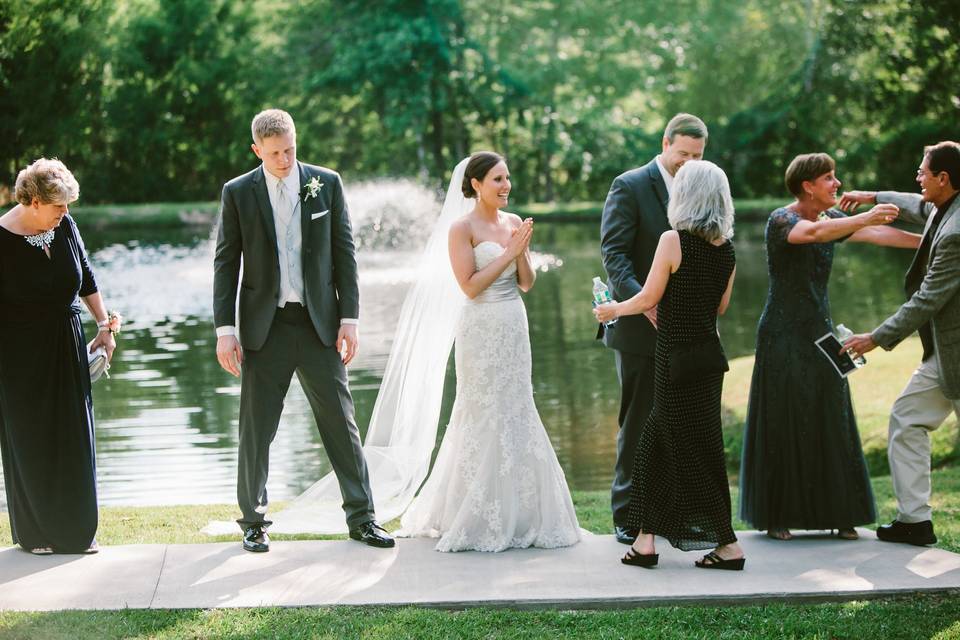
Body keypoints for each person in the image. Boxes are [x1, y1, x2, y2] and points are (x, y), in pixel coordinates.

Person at [212, 109, 393, 552]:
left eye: (290, 150)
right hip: (264, 328)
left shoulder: (325, 183)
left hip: (319, 325)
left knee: (341, 424)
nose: (284, 159)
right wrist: (224, 329)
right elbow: (225, 261)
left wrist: (349, 318)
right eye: (274, 153)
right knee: (256, 429)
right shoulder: (238, 192)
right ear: (257, 150)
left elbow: (345, 252)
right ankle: (253, 522)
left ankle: (363, 518)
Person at [398, 152, 581, 552]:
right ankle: (472, 510)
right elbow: (470, 285)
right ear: (476, 184)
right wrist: (508, 254)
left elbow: (527, 283)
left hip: (514, 323)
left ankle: (524, 512)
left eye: (507, 178)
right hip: (480, 327)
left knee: (517, 406)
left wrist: (523, 252)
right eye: (497, 179)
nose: (506, 186)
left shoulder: (514, 223)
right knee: (480, 409)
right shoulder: (460, 228)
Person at [738, 153, 920, 541]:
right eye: (829, 178)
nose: (836, 184)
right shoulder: (782, 220)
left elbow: (878, 234)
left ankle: (841, 514)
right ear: (808, 186)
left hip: (822, 334)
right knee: (784, 416)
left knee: (830, 414)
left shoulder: (833, 219)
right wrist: (864, 217)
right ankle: (778, 516)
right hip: (783, 334)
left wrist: (928, 243)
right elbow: (813, 234)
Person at [595, 160, 741, 570]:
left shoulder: (672, 241)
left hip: (674, 357)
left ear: (685, 196)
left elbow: (648, 299)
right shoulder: (726, 249)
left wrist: (612, 309)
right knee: (697, 448)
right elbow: (722, 307)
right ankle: (649, 541)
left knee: (655, 445)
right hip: (708, 360)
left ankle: (721, 544)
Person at [839, 141, 960, 546]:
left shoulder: (957, 233)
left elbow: (927, 299)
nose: (918, 178)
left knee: (907, 420)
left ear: (944, 178)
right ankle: (915, 521)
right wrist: (871, 197)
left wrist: (875, 338)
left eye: (923, 172)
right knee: (907, 420)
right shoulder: (944, 205)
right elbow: (915, 204)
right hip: (944, 354)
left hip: (956, 352)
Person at [599, 112, 708, 545]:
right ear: (665, 144)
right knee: (639, 422)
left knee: (680, 424)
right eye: (683, 154)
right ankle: (629, 514)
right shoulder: (629, 185)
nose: (689, 163)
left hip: (688, 328)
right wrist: (645, 303)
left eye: (697, 156)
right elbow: (615, 255)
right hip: (640, 327)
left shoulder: (700, 186)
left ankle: (673, 514)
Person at [0, 158, 117, 554]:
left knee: (73, 436)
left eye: (67, 206)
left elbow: (85, 276)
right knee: (31, 438)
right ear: (33, 201)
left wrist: (105, 326)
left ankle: (77, 531)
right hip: (18, 355)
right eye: (57, 207)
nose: (65, 213)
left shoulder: (64, 225)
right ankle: (36, 534)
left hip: (67, 345)